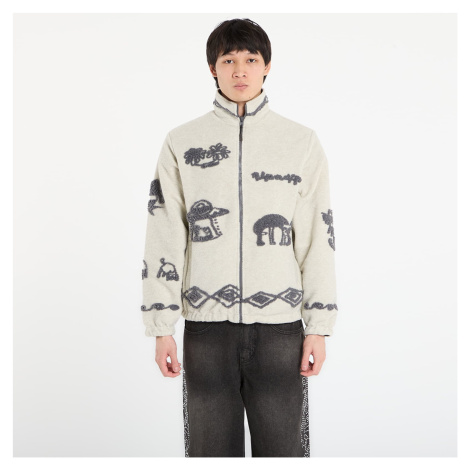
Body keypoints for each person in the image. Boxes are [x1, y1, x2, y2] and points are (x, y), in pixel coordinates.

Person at [141, 18, 338, 458]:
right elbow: (165, 233)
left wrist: (319, 327)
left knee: (284, 453)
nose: (240, 70)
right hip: (206, 329)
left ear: (267, 66)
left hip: (281, 330)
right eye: (228, 60)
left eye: (251, 59)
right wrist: (161, 327)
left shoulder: (301, 142)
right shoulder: (181, 142)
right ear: (213, 68)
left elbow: (317, 237)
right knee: (209, 453)